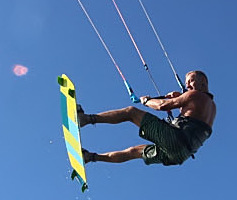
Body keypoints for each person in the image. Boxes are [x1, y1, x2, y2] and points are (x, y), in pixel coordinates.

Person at [80, 70, 215, 167]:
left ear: (203, 81)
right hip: (181, 154)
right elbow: (192, 118)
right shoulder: (211, 108)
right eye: (187, 83)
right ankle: (90, 157)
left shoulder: (195, 95)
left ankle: (86, 119)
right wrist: (179, 98)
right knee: (133, 151)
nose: (188, 86)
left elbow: (162, 105)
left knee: (130, 112)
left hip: (175, 139)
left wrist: (147, 101)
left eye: (191, 81)